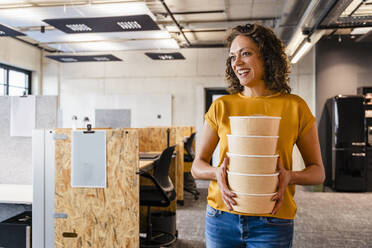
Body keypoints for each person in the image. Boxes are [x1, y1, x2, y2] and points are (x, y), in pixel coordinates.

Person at [191, 23, 325, 247]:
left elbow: (317, 173)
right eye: (233, 56)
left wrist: (289, 176)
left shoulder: (295, 107)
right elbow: (197, 166)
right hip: (222, 217)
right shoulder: (222, 106)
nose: (237, 62)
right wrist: (217, 173)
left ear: (267, 56)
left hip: (272, 219)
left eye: (246, 53)